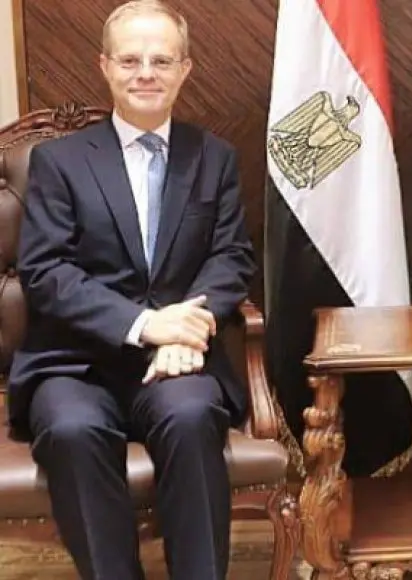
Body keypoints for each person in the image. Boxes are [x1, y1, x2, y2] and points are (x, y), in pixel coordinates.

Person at [6, 1, 256, 578]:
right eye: (130, 60)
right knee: (73, 429)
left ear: (185, 70)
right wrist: (146, 325)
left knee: (193, 415)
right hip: (74, 364)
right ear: (105, 66)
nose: (146, 73)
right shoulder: (58, 162)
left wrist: (188, 330)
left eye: (161, 60)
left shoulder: (214, 158)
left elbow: (230, 257)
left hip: (178, 364)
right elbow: (45, 271)